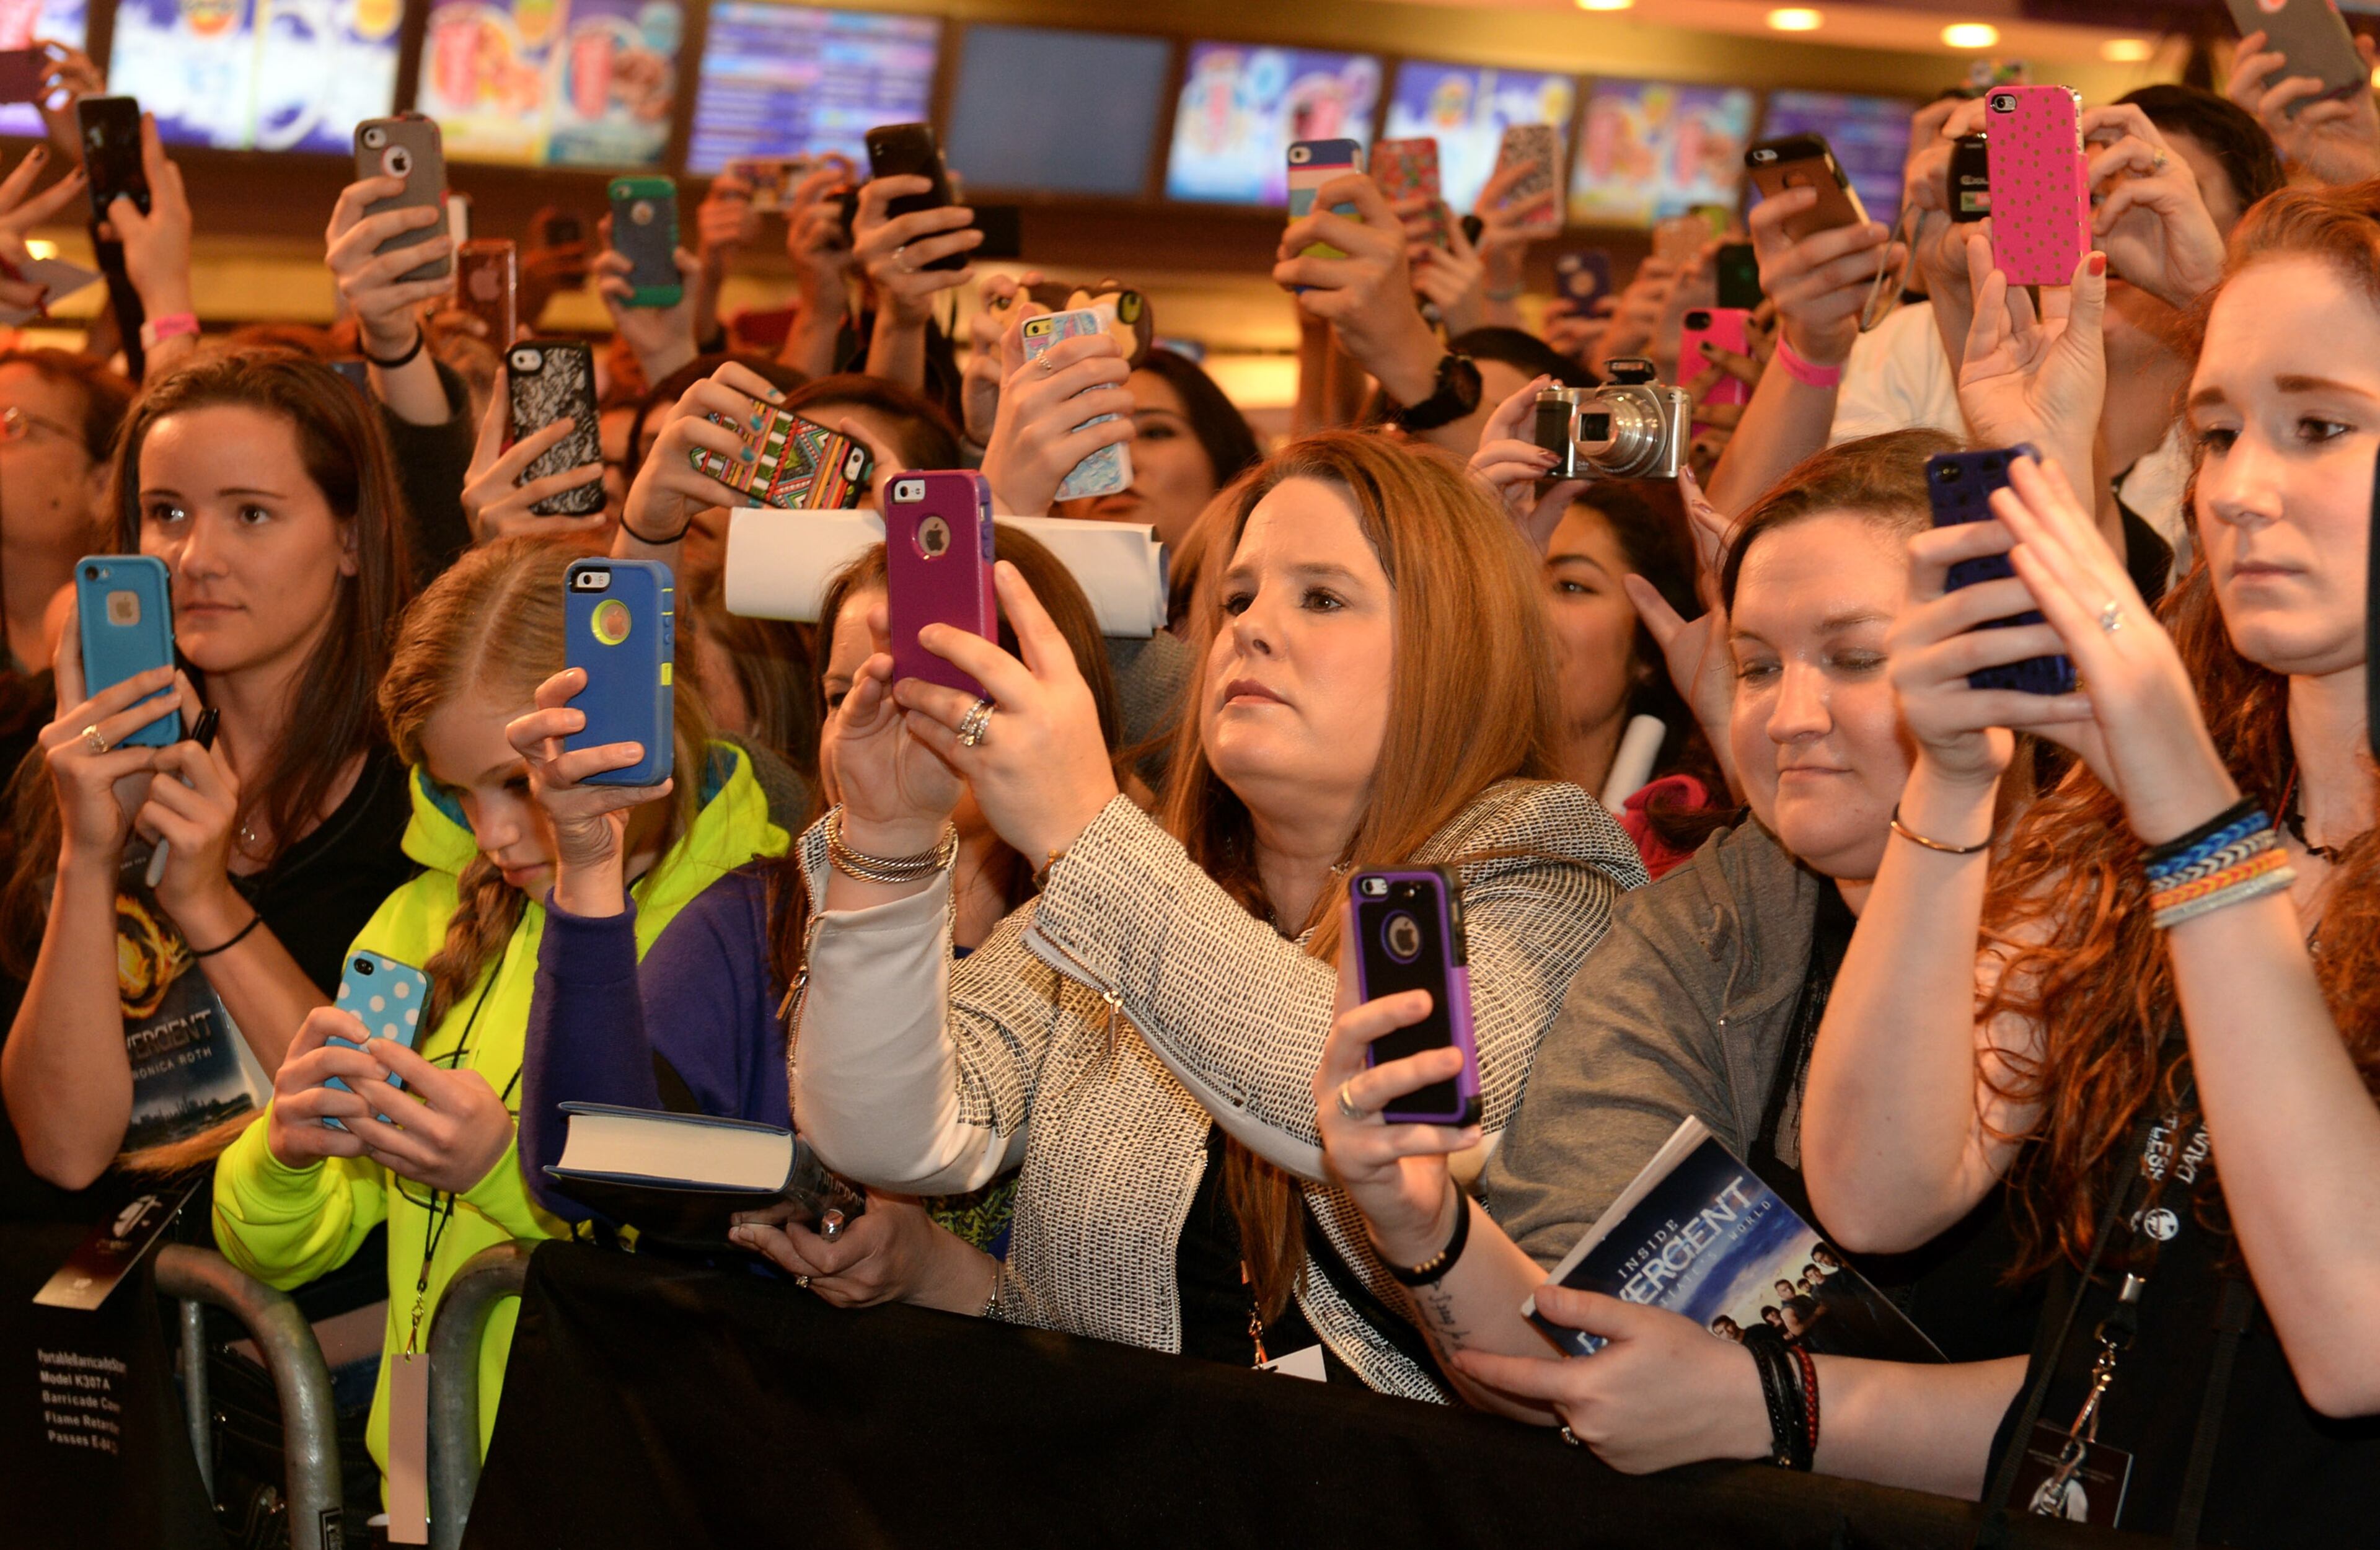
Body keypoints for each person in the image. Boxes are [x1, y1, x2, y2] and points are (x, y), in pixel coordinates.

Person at [767, 430, 1642, 1393]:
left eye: (1321, 597)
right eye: (1236, 599)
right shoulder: (1168, 871)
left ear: (1452, 645)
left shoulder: (1547, 858)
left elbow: (1401, 1104)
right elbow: (888, 1130)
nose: (1249, 630)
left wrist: (1083, 827)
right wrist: (886, 846)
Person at [1801, 181, 2380, 1539]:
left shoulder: (2180, 799)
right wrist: (1955, 775)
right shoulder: (2151, 810)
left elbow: (2357, 1332)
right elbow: (1881, 1186)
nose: (2239, 488)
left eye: (2322, 427)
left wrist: (2190, 811)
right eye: (2219, 431)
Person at [1313, 431, 2046, 1493]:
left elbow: (2160, 1408)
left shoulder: (2107, 915)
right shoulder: (1717, 915)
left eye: (1855, 657)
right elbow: (1578, 1361)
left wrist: (1776, 1406)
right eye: (1757, 667)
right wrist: (1423, 1225)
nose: (1790, 717)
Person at [210, 534, 786, 1500]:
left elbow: (731, 1248)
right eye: (455, 789)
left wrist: (499, 1171)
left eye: (518, 782)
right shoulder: (415, 922)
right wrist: (287, 1153)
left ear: (642, 728)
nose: (493, 832)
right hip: (427, 1481)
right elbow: (281, 1244)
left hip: (626, 1484)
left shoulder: (744, 928)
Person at [510, 525, 1132, 1269]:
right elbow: (578, 1166)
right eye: (843, 696)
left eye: (916, 690)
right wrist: (589, 867)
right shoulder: (753, 919)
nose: (864, 729)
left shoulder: (1118, 940)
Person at [0, 351, 418, 1195]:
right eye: (166, 512)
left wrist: (204, 900)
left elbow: (378, 1125)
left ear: (348, 536)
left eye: (252, 514)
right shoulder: (81, 756)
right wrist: (90, 851)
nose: (195, 557)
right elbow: (64, 1149)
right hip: (124, 1294)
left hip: (335, 1308)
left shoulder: (420, 790)